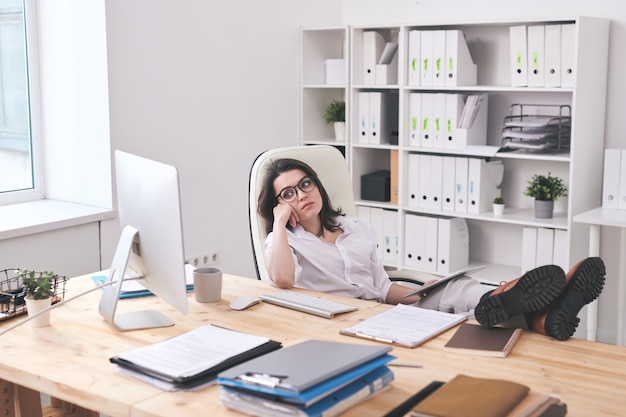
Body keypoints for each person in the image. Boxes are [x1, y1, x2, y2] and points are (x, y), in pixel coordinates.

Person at [257, 158, 606, 341]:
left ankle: (533, 310)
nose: (301, 194)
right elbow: (283, 280)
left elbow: (380, 286)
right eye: (288, 193)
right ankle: (543, 308)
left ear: (317, 185)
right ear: (279, 205)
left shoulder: (354, 228)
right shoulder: (285, 242)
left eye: (305, 184)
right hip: (350, 322)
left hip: (383, 305)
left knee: (454, 290)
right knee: (451, 321)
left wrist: (422, 294)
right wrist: (278, 223)